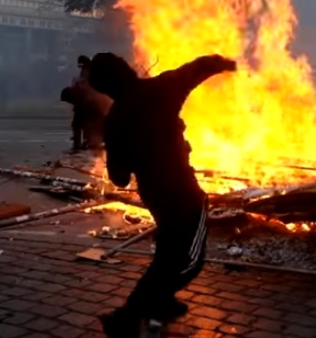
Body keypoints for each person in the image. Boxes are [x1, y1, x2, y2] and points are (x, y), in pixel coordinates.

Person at [89, 52, 236, 335]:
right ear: (127, 69)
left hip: (156, 195)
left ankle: (161, 302)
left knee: (170, 249)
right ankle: (130, 314)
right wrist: (231, 65)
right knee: (189, 261)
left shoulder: (115, 120)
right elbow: (198, 68)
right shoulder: (160, 89)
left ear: (105, 88)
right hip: (183, 193)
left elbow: (119, 178)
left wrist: (132, 152)